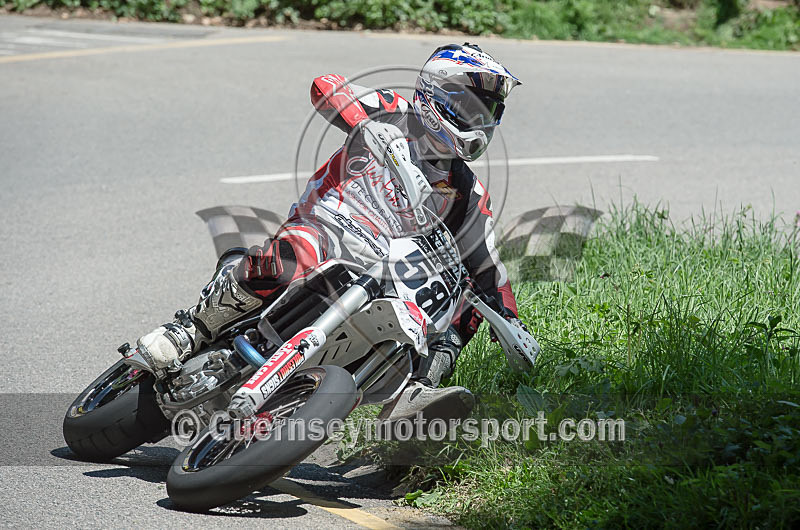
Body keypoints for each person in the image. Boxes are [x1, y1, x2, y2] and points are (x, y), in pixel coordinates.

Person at [137, 43, 525, 422]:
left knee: (464, 303)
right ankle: (189, 330)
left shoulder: (468, 192)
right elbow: (327, 86)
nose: (477, 121)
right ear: (435, 94)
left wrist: (510, 319)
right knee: (294, 255)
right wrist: (364, 126)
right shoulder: (393, 111)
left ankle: (415, 396)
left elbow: (487, 260)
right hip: (325, 227)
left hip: (384, 273)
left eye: (487, 112)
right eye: (469, 107)